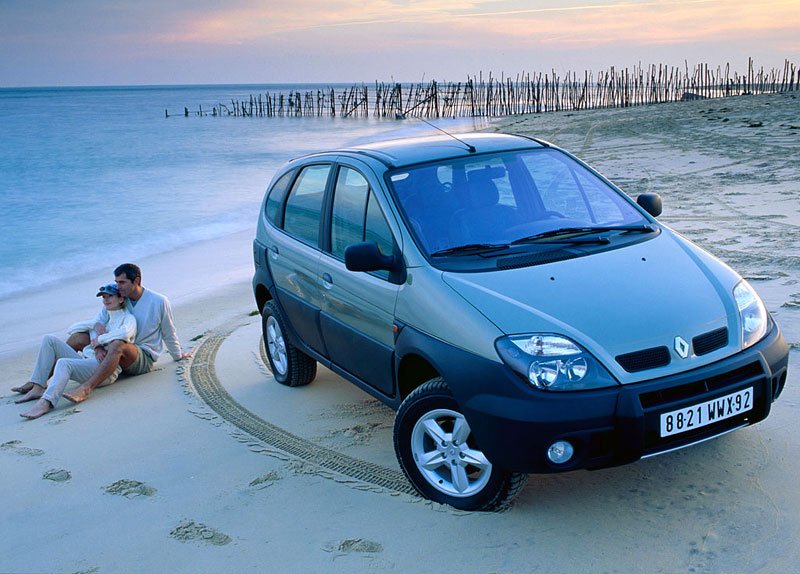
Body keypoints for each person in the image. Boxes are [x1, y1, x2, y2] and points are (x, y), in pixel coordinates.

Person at [62, 263, 191, 404]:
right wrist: (98, 347)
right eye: (116, 282)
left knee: (118, 343)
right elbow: (97, 323)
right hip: (112, 352)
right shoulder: (118, 298)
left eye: (122, 282)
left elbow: (168, 332)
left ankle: (86, 388)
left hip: (141, 357)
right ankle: (40, 383)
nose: (118, 286)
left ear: (136, 281)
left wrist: (177, 355)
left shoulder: (159, 301)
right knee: (77, 337)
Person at [18, 284, 137, 420]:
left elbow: (125, 333)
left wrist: (100, 339)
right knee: (49, 339)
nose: (105, 299)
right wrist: (95, 327)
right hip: (88, 362)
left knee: (64, 363)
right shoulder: (104, 319)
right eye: (103, 297)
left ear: (121, 299)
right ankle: (38, 386)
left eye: (110, 296)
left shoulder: (127, 318)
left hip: (104, 370)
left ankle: (46, 402)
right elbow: (73, 328)